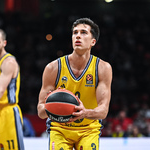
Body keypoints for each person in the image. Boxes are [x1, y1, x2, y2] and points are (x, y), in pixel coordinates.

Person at [38, 18, 112, 150]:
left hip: (88, 129)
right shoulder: (53, 68)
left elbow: (103, 110)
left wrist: (85, 113)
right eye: (75, 32)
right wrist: (51, 106)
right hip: (59, 128)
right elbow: (40, 111)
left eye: (84, 32)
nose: (78, 35)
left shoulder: (102, 68)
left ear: (93, 42)